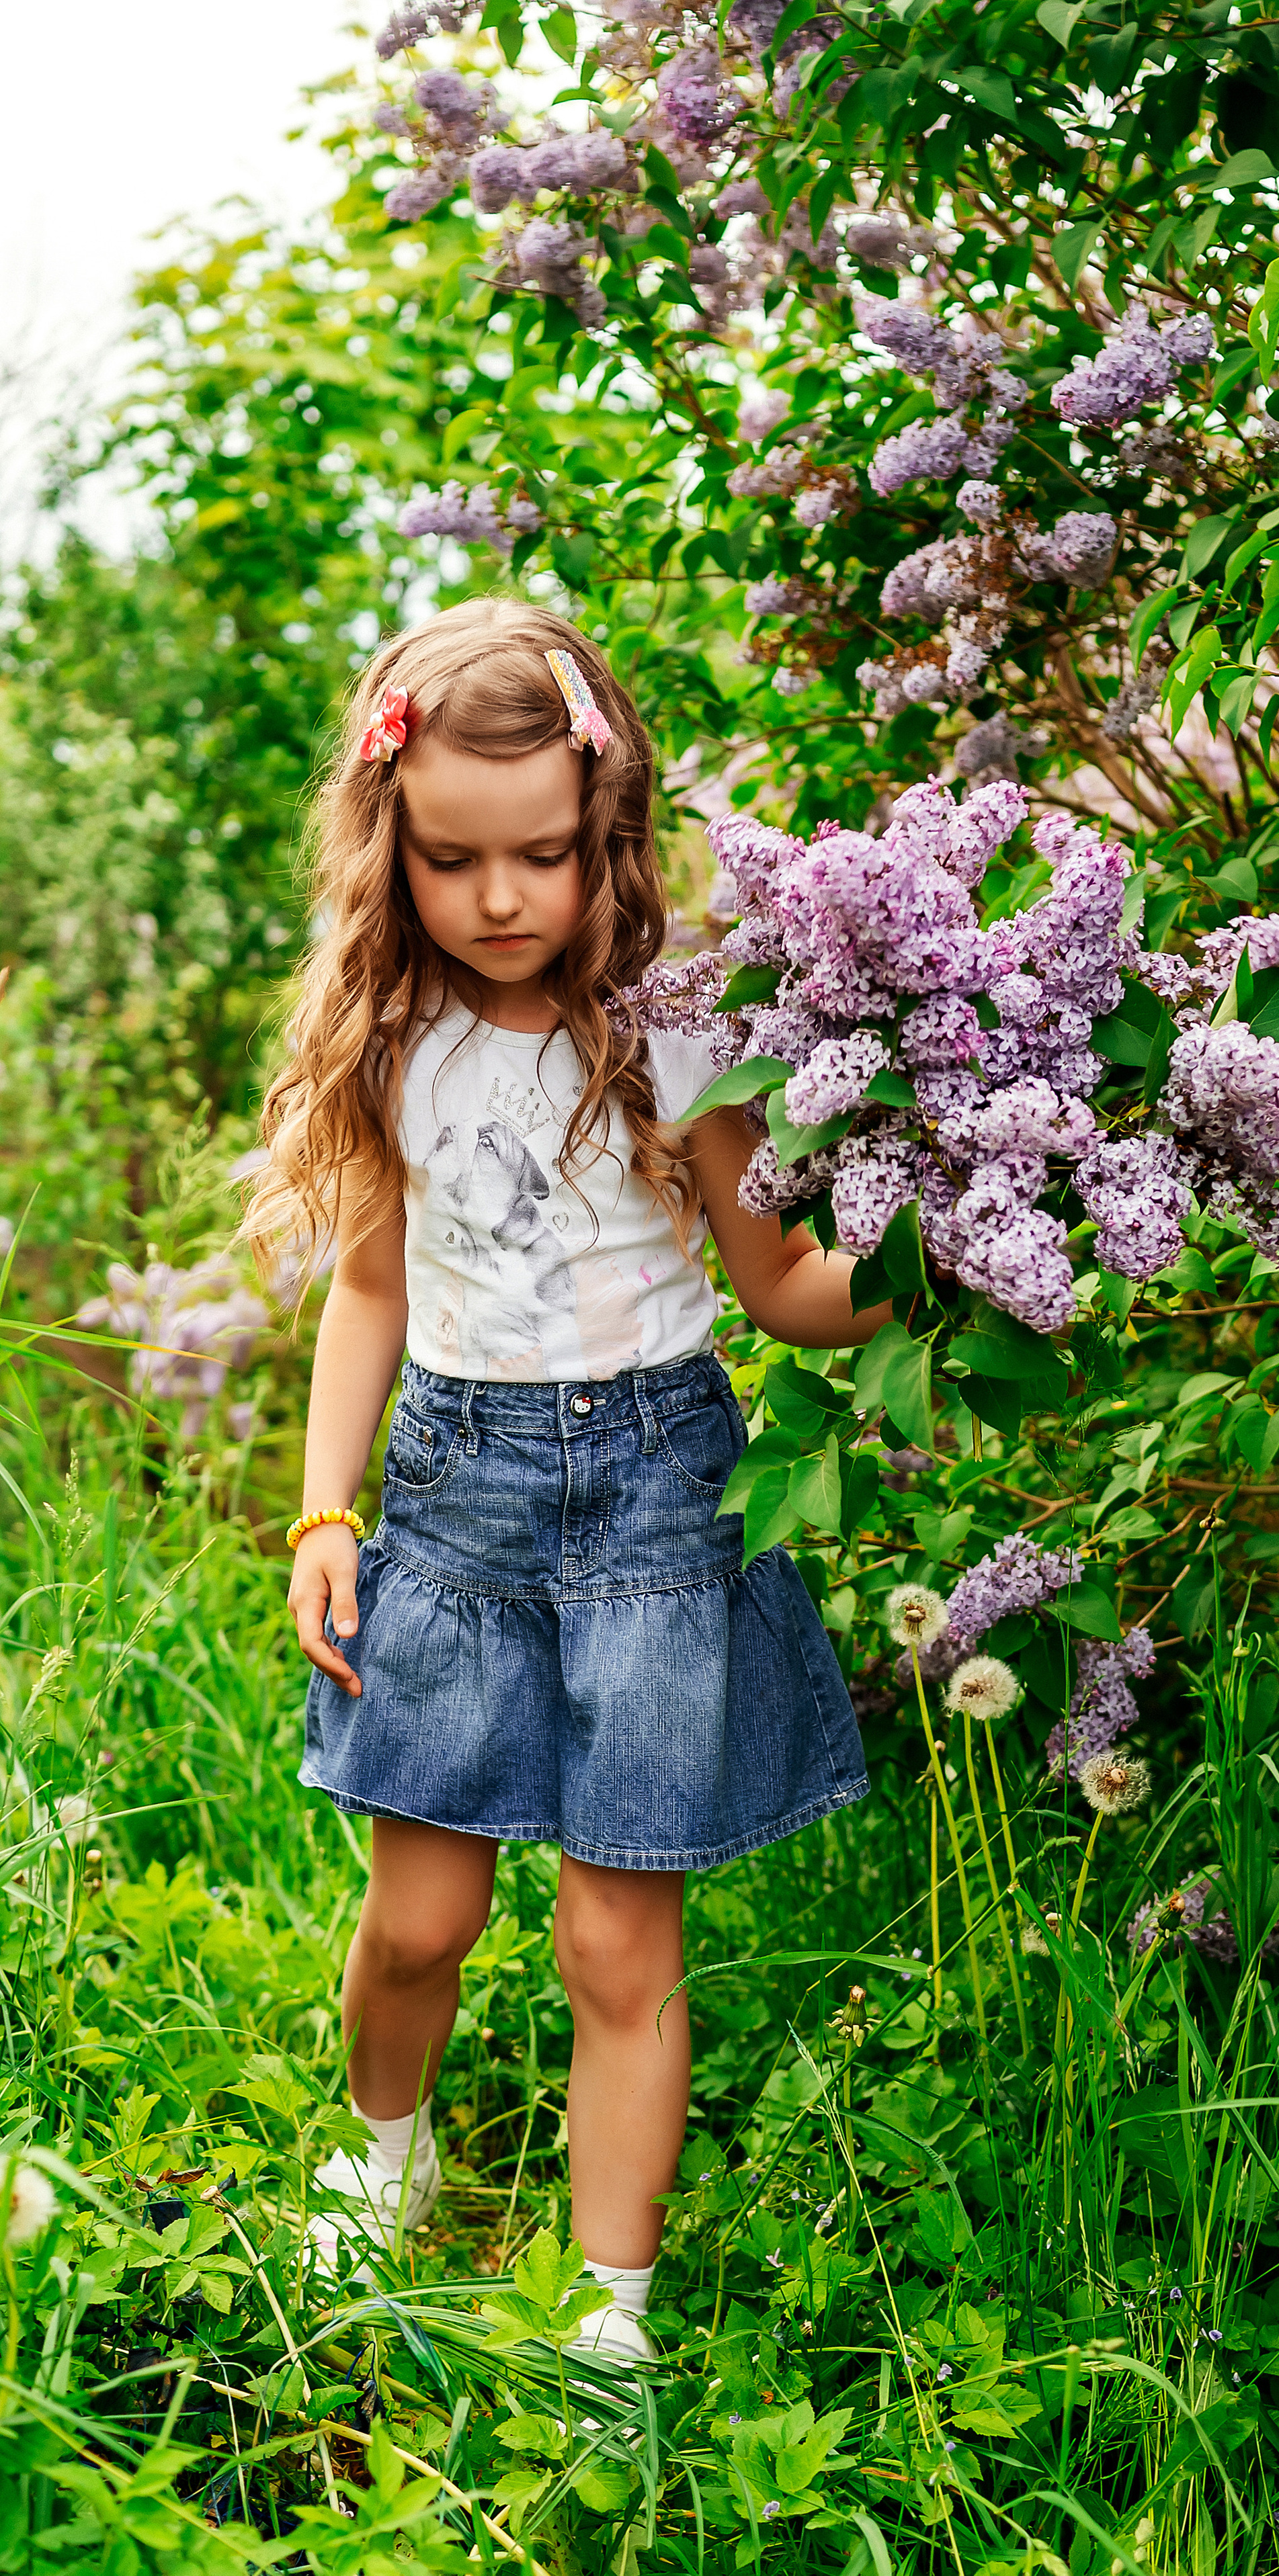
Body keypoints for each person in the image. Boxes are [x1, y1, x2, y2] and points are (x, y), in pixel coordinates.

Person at [246, 597, 884, 2350]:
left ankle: (611, 2326)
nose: (504, 898)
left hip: (664, 1495)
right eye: (455, 860)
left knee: (620, 1952)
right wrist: (325, 1505)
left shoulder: (675, 1033)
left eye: (545, 856)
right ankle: (384, 2161)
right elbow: (371, 1284)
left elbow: (783, 1288)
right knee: (419, 1915)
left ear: (609, 834)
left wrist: (942, 1260)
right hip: (455, 1494)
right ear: (397, 845)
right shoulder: (389, 1034)